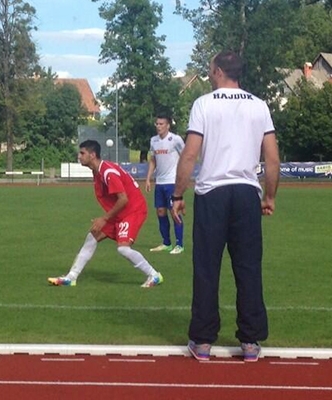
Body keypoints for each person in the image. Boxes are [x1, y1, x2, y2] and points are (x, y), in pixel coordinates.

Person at [172, 51, 279, 363]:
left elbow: (190, 154)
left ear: (218, 71)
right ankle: (250, 342)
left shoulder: (204, 104)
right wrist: (269, 197)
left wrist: (178, 195)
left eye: (209, 69)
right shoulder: (259, 106)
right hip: (247, 193)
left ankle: (203, 342)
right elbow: (271, 158)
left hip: (212, 194)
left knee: (207, 268)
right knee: (248, 268)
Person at [48, 140, 163, 288]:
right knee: (92, 237)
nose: (79, 156)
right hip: (120, 211)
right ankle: (71, 277)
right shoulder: (98, 171)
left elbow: (124, 199)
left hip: (132, 210)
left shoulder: (108, 172)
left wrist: (104, 218)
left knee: (123, 248)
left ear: (92, 155)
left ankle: (154, 275)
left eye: (82, 153)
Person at [145, 113, 186, 255]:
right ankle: (166, 243)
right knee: (160, 212)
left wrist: (182, 179)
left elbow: (186, 157)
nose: (158, 126)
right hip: (160, 183)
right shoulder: (153, 140)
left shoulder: (175, 140)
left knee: (174, 212)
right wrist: (149, 178)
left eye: (161, 124)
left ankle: (179, 244)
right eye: (157, 124)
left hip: (172, 182)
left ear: (168, 125)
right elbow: (153, 160)